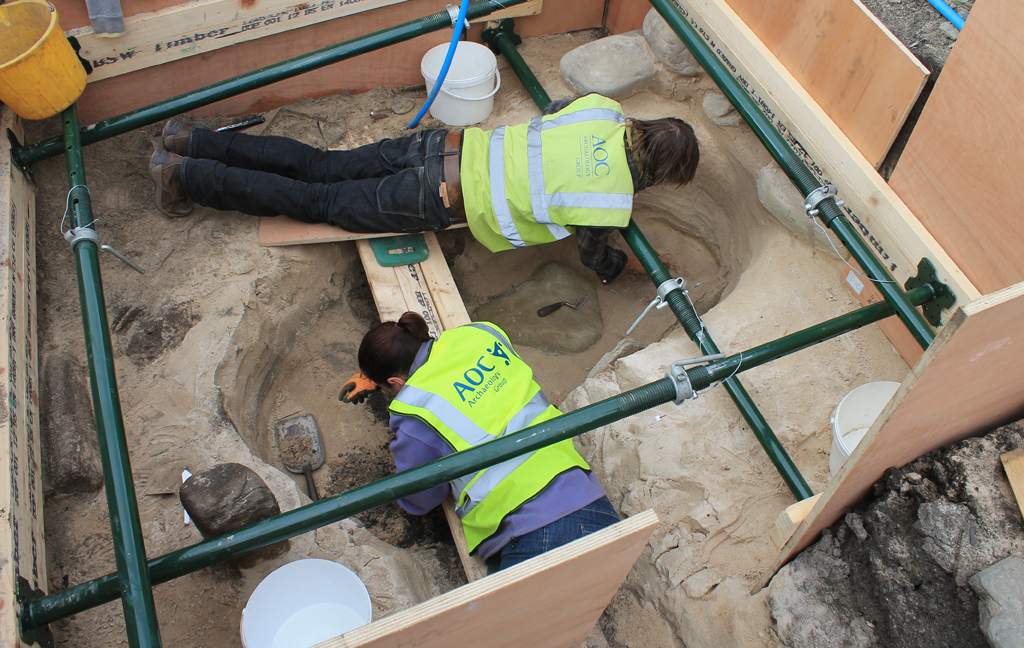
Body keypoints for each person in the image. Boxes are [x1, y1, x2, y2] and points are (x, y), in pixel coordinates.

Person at [149, 92, 699, 285]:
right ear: (659, 174)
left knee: (321, 165)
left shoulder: (604, 110)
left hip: (443, 146)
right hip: (437, 197)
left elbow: (556, 110)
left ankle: (189, 139)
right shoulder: (608, 203)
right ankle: (184, 176)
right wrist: (632, 268)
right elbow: (594, 256)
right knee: (318, 204)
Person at [357, 311, 619, 571]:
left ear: (395, 382)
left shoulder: (413, 410)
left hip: (532, 530)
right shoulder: (482, 332)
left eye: (387, 389)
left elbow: (420, 497)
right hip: (590, 501)